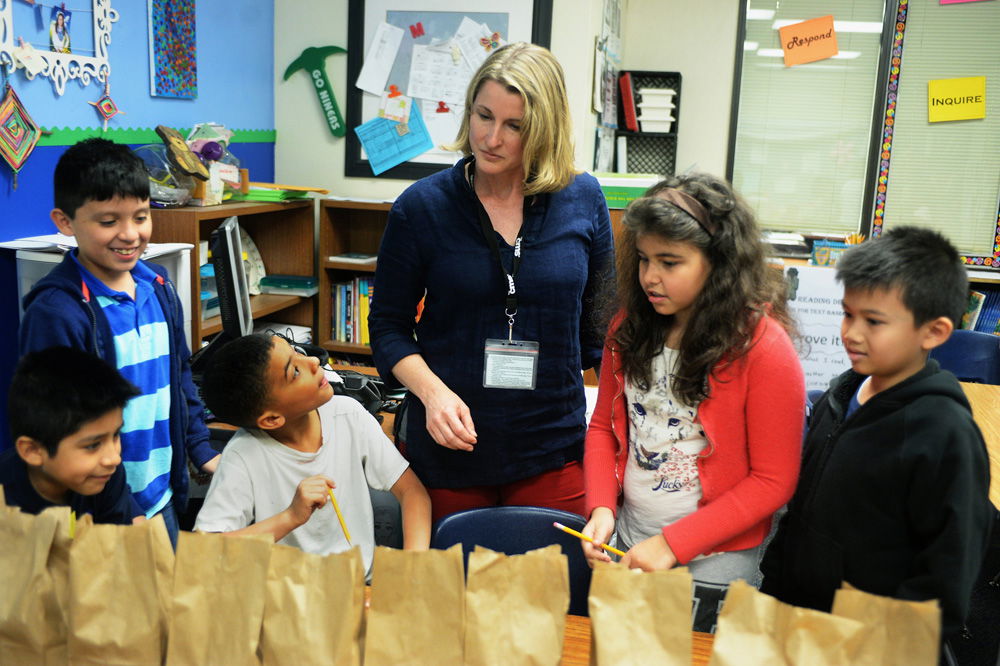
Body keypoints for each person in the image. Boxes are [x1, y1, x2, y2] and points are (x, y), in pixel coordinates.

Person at [369, 42, 614, 522]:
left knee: (548, 592)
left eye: (514, 126)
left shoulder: (583, 198)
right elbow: (388, 328)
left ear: (544, 129)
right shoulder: (422, 207)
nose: (491, 138)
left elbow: (604, 333)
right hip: (449, 445)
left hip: (552, 446)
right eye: (484, 116)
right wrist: (432, 394)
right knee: (452, 591)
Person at [582, 174, 805, 633]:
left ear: (717, 263)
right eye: (643, 259)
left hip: (716, 560)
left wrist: (673, 545)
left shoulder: (763, 347)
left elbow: (773, 481)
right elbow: (603, 428)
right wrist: (601, 508)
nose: (650, 277)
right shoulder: (629, 326)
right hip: (630, 538)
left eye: (670, 262)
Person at [760, 226, 992, 648]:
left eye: (874, 321)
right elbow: (800, 517)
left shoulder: (944, 437)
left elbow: (945, 585)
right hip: (800, 629)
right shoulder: (839, 396)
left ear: (934, 333)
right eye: (849, 313)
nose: (851, 332)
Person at [19, 137, 219, 547]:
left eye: (141, 216)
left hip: (160, 493)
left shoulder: (158, 289)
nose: (130, 234)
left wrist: (200, 447)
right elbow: (58, 430)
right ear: (65, 221)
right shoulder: (58, 312)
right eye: (108, 221)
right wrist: (118, 510)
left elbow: (179, 376)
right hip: (99, 512)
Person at [194, 334, 431, 576]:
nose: (313, 362)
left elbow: (413, 493)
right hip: (290, 600)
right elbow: (208, 553)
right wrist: (291, 517)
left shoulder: (348, 415)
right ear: (272, 419)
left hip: (359, 588)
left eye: (298, 352)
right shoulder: (243, 455)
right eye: (295, 371)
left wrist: (412, 568)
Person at [0, 346, 143, 524]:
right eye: (93, 445)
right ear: (33, 451)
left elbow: (116, 540)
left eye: (115, 435)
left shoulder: (105, 475)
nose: (114, 458)